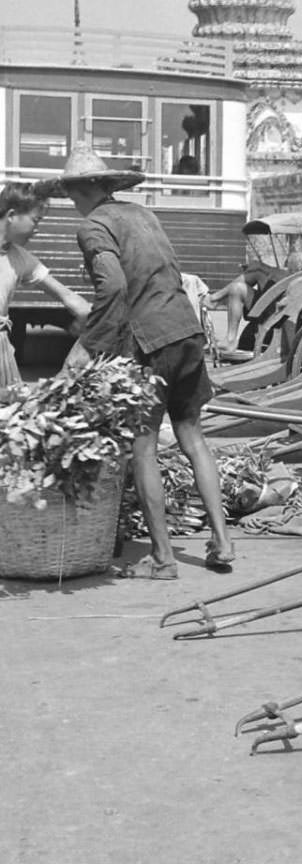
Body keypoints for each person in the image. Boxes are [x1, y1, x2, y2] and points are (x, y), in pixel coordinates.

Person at [55, 143, 236, 579]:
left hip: (151, 340)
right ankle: (223, 542)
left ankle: (163, 558)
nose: (73, 200)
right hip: (187, 329)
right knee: (192, 435)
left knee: (144, 445)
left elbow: (114, 287)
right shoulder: (143, 215)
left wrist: (90, 346)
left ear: (82, 190)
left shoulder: (94, 226)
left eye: (74, 192)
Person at [0, 181, 92, 388]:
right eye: (35, 221)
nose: (37, 230)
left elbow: (70, 298)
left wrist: (91, 319)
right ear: (12, 215)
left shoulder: (21, 259)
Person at [206, 260, 279, 352]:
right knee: (237, 288)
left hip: (287, 299)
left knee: (258, 270)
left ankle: (214, 299)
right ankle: (230, 340)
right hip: (278, 294)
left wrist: (269, 269)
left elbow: (294, 271)